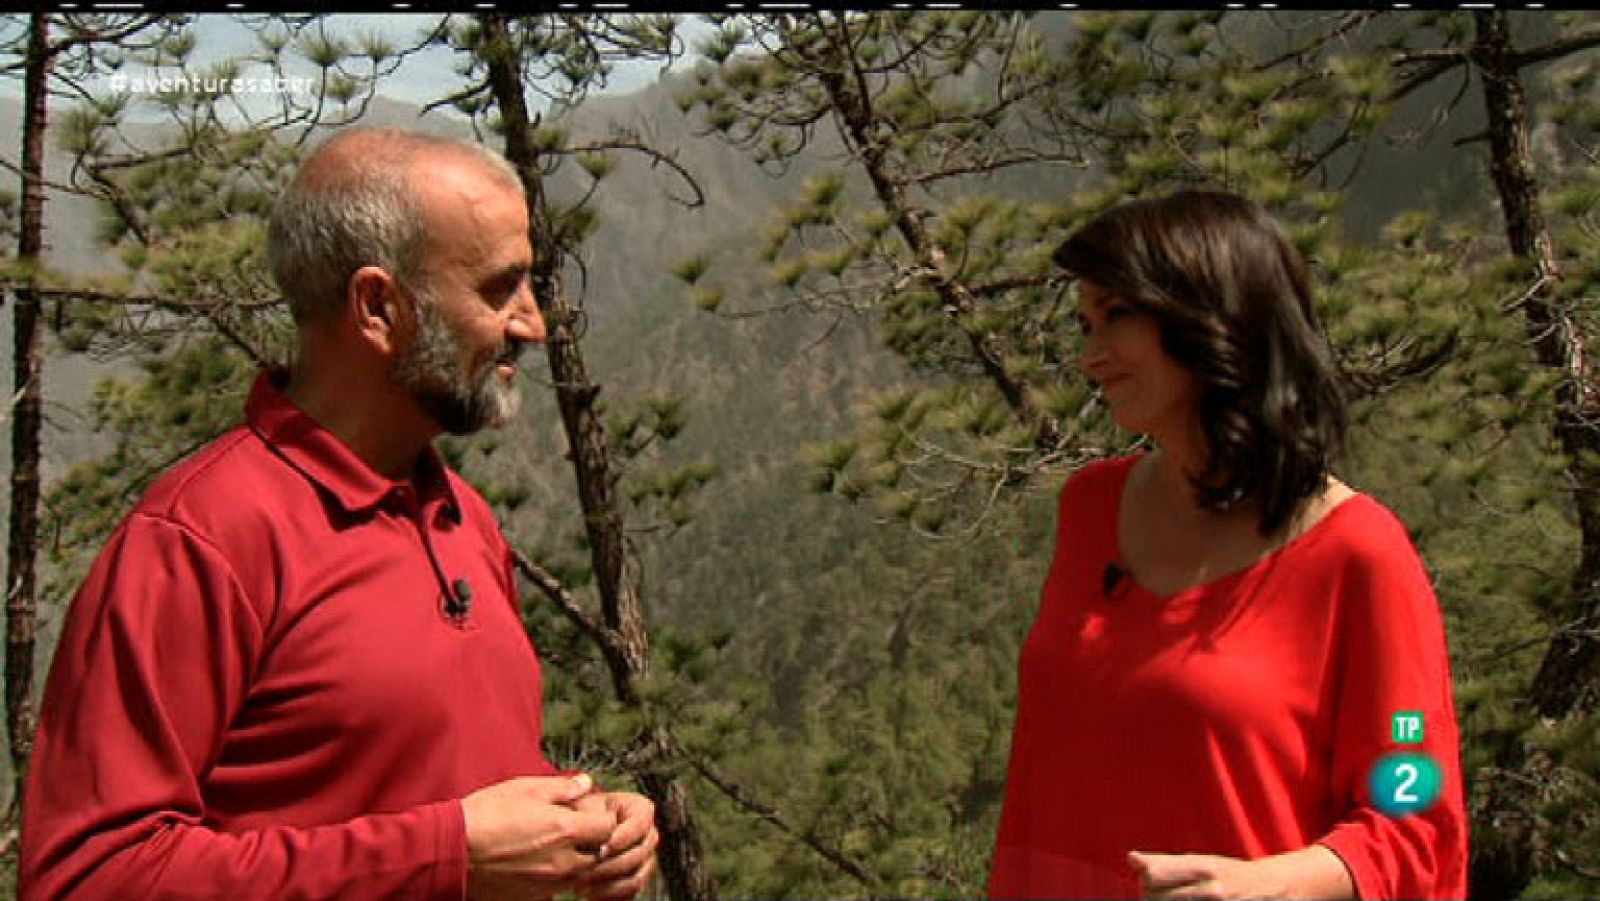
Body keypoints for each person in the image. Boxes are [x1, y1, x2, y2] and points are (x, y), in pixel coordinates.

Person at [21, 128, 658, 900]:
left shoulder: (461, 516)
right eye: (500, 288)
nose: (532, 324)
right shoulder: (200, 543)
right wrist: (442, 856)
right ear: (378, 306)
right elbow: (85, 876)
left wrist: (579, 822)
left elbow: (429, 785)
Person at [988, 190, 1468, 900]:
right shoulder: (1089, 508)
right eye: (1086, 322)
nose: (1090, 356)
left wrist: (1270, 883)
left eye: (1117, 315)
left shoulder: (1358, 553)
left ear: (1211, 317)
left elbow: (1412, 804)